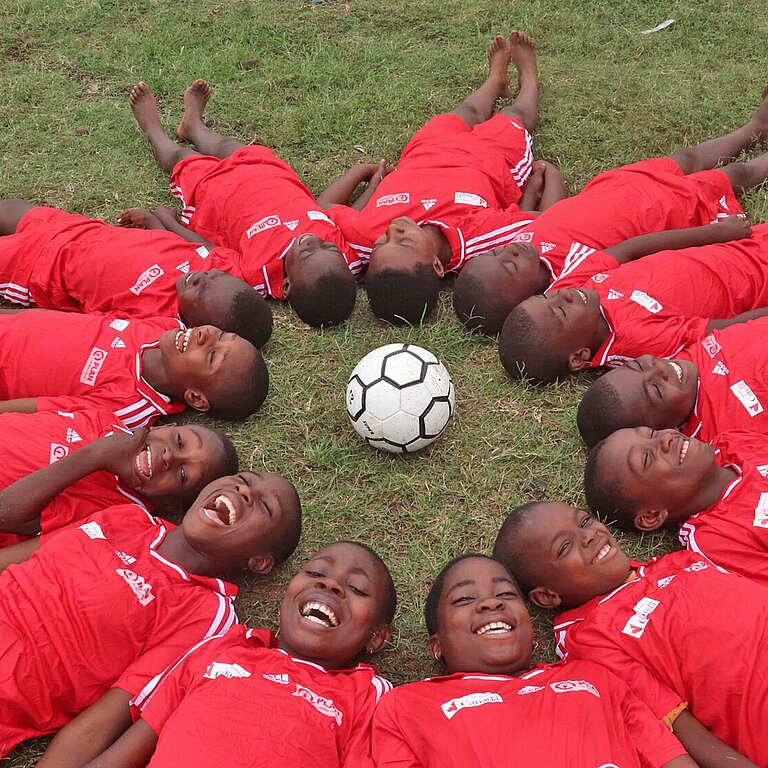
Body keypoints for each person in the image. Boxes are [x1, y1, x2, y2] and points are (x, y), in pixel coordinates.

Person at [0, 470, 302, 763]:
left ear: (259, 561)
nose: (245, 491)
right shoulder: (125, 517)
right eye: (243, 479)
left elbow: (108, 717)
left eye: (265, 506)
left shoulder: (207, 616)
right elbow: (21, 559)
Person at [454, 86, 768, 333]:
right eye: (508, 266)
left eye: (495, 253)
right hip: (658, 211)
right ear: (521, 300)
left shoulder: (522, 243)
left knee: (688, 157)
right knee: (733, 176)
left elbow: (550, 215)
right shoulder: (571, 281)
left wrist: (548, 182)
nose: (508, 253)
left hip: (618, 187)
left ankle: (755, 126)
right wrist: (712, 234)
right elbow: (639, 253)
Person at [492, 500, 767, 767]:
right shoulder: (589, 637)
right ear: (547, 596)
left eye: (584, 521)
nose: (588, 536)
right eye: (565, 547)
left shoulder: (678, 560)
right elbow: (678, 726)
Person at [74, 540, 394, 768]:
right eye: (315, 573)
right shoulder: (222, 648)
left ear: (376, 637)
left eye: (357, 589)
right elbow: (136, 744)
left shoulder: (365, 696)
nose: (330, 585)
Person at [372, 553, 697, 768]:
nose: (489, 603)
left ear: (532, 632)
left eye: (506, 595)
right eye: (465, 599)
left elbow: (667, 757)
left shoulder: (596, 678)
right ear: (437, 646)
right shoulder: (407, 706)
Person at [328, 32, 542, 325]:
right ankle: (529, 76)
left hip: (426, 152)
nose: (393, 231)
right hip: (492, 160)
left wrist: (364, 174)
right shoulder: (476, 238)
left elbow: (322, 212)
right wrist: (536, 189)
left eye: (382, 243)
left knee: (466, 111)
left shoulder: (366, 236)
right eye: (403, 243)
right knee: (515, 115)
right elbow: (543, 223)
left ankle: (495, 81)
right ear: (438, 266)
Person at [128, 80, 370, 327]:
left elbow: (208, 249)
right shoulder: (348, 257)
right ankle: (193, 126)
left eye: (307, 253)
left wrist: (166, 220)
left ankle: (153, 130)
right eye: (328, 247)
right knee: (226, 145)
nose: (314, 241)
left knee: (183, 159)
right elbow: (345, 212)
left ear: (286, 286)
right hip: (269, 173)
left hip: (218, 194)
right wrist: (371, 179)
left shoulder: (257, 273)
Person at [498, 215, 768, 384]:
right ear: (580, 357)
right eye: (561, 311)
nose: (564, 293)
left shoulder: (577, 288)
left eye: (548, 296)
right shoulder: (638, 343)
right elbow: (723, 329)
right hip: (757, 275)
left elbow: (630, 248)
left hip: (735, 243)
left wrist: (713, 233)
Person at [0, 200, 273, 348]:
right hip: (81, 229)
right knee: (11, 208)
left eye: (202, 290)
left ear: (198, 326)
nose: (202, 277)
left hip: (42, 266)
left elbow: (83, 326)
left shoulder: (155, 322)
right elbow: (173, 244)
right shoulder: (211, 266)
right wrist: (154, 222)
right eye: (215, 275)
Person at [0, 408, 238, 553]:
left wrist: (98, 454)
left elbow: (5, 514)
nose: (169, 457)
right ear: (167, 426)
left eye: (183, 474)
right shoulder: (104, 417)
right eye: (179, 441)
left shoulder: (114, 514)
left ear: (170, 505)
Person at [0, 308, 268, 426]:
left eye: (211, 357)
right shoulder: (165, 328)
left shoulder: (126, 408)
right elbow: (80, 321)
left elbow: (36, 408)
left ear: (196, 397)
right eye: (222, 335)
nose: (206, 335)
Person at [583, 426, 768, 586]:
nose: (665, 438)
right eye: (647, 459)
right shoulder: (715, 541)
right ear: (652, 516)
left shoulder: (731, 442)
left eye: (652, 433)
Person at [576, 317, 768, 448]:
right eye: (657, 389)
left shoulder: (685, 356)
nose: (660, 368)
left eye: (639, 366)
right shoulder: (727, 435)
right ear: (668, 431)